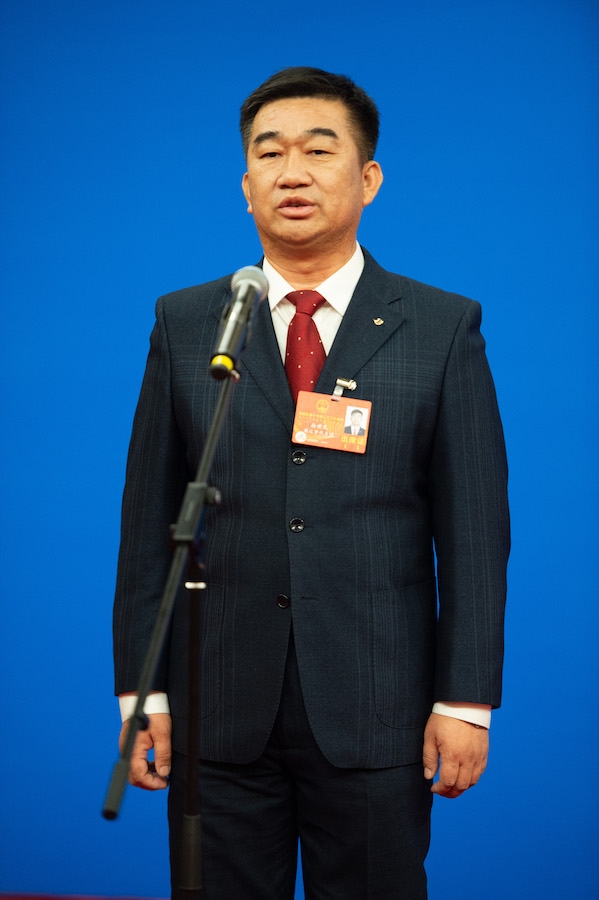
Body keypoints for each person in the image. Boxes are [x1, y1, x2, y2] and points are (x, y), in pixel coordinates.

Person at [113, 66, 509, 899]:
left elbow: (473, 532)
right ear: (246, 186)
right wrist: (140, 695)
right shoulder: (188, 322)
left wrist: (465, 702)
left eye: (318, 151)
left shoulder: (440, 327)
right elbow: (149, 522)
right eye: (269, 154)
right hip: (219, 705)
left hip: (376, 706)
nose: (291, 172)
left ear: (367, 178)